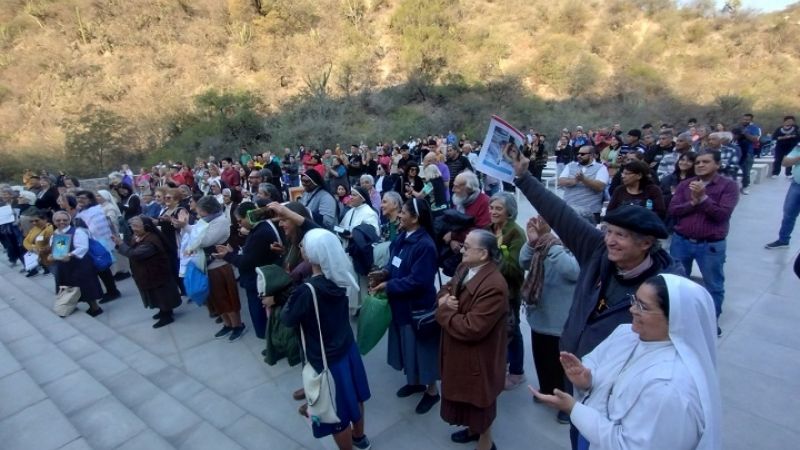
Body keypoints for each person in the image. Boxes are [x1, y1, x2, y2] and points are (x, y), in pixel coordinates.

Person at [531, 274, 721, 450]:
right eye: (634, 301)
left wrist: (573, 409)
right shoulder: (626, 333)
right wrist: (588, 380)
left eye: (643, 307)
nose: (632, 310)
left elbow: (629, 446)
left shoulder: (669, 387)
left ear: (676, 319)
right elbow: (595, 361)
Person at [281, 228, 372, 450]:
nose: (300, 248)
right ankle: (360, 438)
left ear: (313, 254)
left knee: (335, 414)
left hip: (326, 358)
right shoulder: (342, 275)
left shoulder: (307, 290)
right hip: (347, 348)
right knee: (355, 396)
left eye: (303, 246)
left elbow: (287, 319)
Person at [436, 229, 509, 450]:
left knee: (480, 402)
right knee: (467, 398)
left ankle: (486, 443)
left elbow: (472, 327)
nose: (462, 250)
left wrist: (443, 312)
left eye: (467, 247)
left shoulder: (494, 285)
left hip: (478, 357)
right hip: (460, 352)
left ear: (484, 254)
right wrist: (444, 299)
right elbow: (447, 287)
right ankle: (472, 431)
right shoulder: (465, 267)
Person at [369, 198, 440, 415]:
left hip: (416, 309)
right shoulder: (402, 237)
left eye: (403, 212)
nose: (399, 215)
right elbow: (394, 263)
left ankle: (432, 391)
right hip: (400, 306)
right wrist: (384, 273)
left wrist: (388, 285)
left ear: (415, 218)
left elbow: (419, 281)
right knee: (408, 348)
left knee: (421, 351)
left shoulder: (425, 245)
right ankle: (414, 381)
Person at [669, 150, 738, 334]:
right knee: (676, 282)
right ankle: (678, 320)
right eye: (698, 162)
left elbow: (722, 215)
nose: (700, 165)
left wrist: (703, 198)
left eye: (705, 162)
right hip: (681, 241)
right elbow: (673, 210)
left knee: (713, 285)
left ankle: (710, 323)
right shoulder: (685, 185)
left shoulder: (728, 186)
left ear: (717, 164)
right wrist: (692, 203)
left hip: (710, 245)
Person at [520, 216, 579, 424]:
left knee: (562, 365)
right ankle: (547, 390)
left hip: (561, 322)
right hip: (540, 315)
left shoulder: (578, 248)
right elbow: (523, 262)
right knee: (543, 359)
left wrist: (547, 240)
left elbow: (571, 271)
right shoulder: (548, 244)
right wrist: (532, 242)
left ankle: (566, 404)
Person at [215, 201, 283, 339]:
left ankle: (270, 340)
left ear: (248, 216)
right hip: (259, 278)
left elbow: (247, 262)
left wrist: (227, 256)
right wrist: (233, 253)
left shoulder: (260, 233)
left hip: (259, 281)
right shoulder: (261, 227)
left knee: (261, 316)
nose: (239, 224)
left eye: (240, 220)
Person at [485, 193, 526, 391]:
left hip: (509, 290)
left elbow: (513, 266)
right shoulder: (489, 229)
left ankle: (517, 371)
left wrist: (498, 249)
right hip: (489, 288)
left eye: (498, 209)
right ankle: (502, 364)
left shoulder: (516, 233)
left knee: (512, 329)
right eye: (491, 207)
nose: (493, 212)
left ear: (509, 212)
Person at [189, 196, 245, 340]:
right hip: (207, 265)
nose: (198, 215)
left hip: (220, 265)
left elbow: (203, 241)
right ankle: (227, 324)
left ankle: (237, 325)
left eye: (200, 211)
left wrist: (194, 233)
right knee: (216, 298)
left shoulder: (220, 221)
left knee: (227, 297)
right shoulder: (206, 221)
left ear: (208, 210)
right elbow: (194, 237)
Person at [112, 216, 181, 328]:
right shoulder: (138, 237)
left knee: (162, 294)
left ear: (146, 227)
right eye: (132, 226)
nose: (133, 229)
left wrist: (121, 244)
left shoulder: (151, 240)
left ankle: (167, 315)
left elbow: (135, 254)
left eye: (136, 226)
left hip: (157, 273)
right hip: (148, 273)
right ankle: (162, 311)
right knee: (155, 294)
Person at [48, 211, 104, 317]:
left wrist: (70, 255)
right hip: (65, 266)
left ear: (69, 220)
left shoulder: (77, 232)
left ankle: (95, 308)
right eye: (58, 220)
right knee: (70, 286)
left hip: (79, 264)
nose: (61, 222)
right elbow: (58, 250)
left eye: (65, 220)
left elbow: (83, 247)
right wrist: (53, 256)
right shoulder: (56, 234)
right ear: (54, 222)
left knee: (85, 286)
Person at [557, 146, 609, 224]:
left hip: (590, 212)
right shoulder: (570, 166)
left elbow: (600, 187)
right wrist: (575, 181)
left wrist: (584, 179)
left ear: (591, 155)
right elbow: (560, 181)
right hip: (569, 209)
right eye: (578, 153)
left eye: (582, 154)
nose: (579, 156)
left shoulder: (601, 168)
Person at [765, 144, 800, 249]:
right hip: (797, 185)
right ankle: (783, 240)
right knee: (789, 213)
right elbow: (785, 162)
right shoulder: (798, 147)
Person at [659, 152, 697, 217]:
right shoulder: (667, 180)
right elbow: (660, 200)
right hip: (668, 215)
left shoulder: (697, 181)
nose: (684, 163)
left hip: (688, 215)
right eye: (682, 160)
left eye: (689, 161)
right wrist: (673, 195)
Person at [22, 208, 54, 277]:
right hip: (43, 260)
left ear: (45, 219)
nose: (34, 223)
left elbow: (54, 246)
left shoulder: (50, 229)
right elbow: (25, 241)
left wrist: (40, 249)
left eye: (36, 220)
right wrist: (32, 248)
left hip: (51, 260)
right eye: (31, 221)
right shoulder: (35, 229)